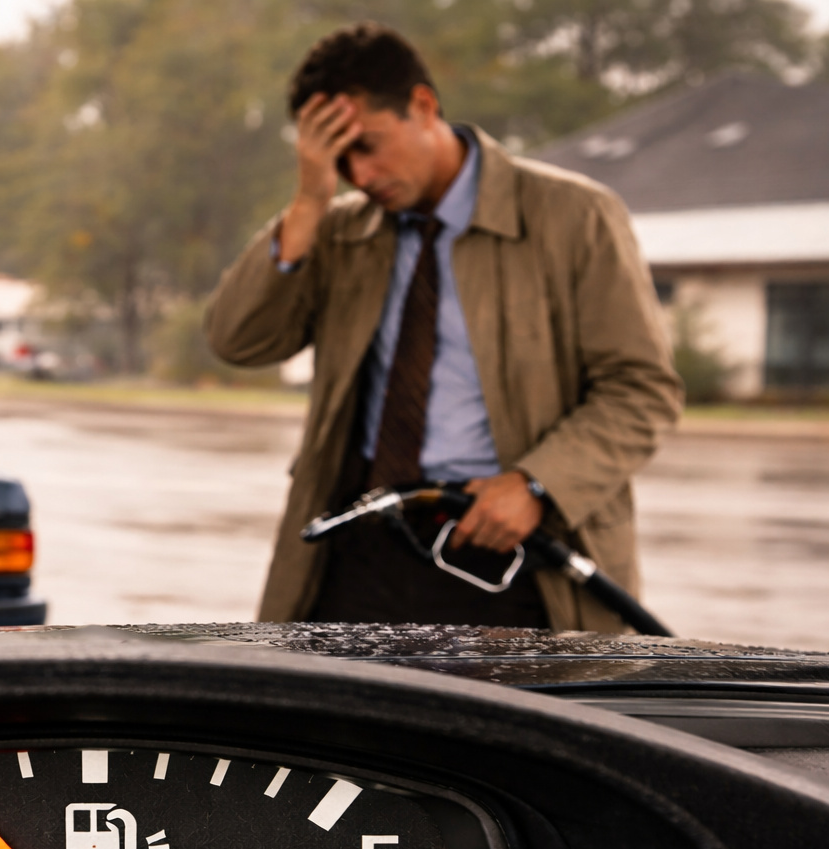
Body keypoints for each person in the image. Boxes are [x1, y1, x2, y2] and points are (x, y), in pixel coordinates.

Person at [205, 22, 682, 632]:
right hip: (358, 559)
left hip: (513, 562)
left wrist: (537, 486)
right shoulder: (340, 229)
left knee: (506, 730)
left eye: (368, 144)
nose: (360, 173)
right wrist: (308, 203)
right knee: (337, 728)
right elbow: (238, 340)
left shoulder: (573, 217)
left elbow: (642, 388)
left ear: (423, 106)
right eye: (337, 159)